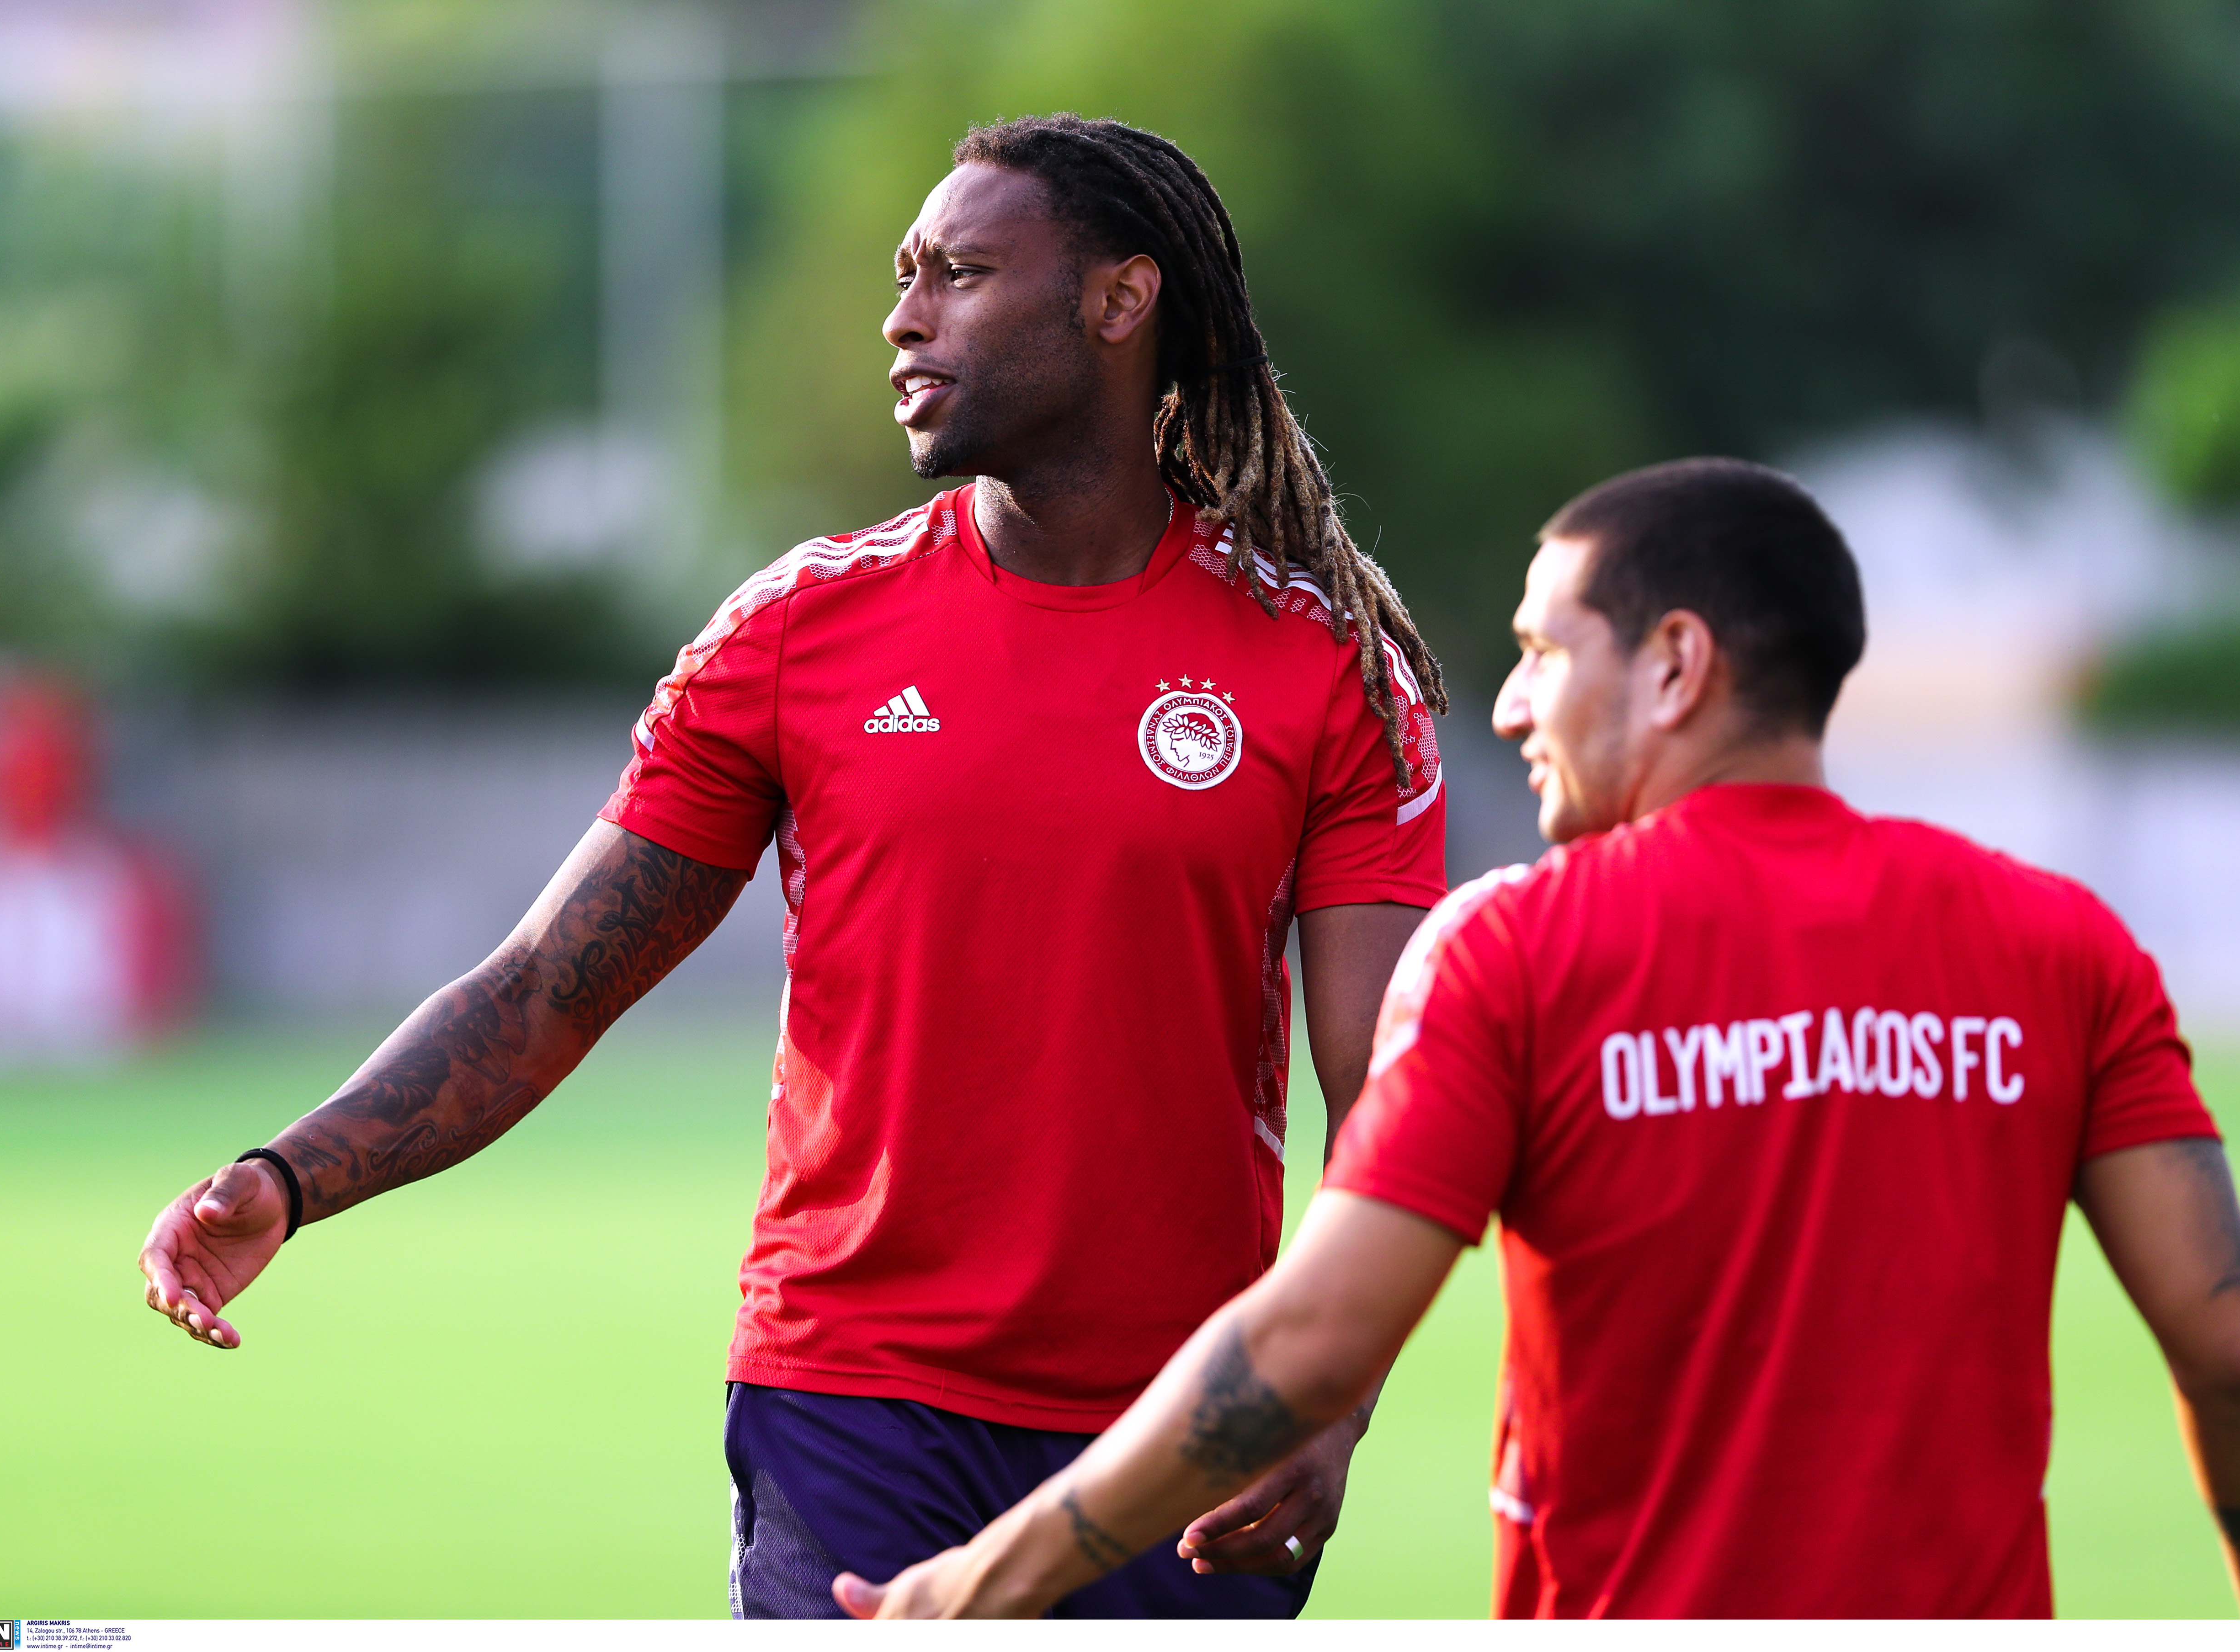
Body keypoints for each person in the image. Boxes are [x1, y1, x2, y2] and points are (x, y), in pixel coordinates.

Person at [135, 114, 1449, 1620]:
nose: (904, 319)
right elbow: (549, 986)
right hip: (852, 1405)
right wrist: (290, 1175)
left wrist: (1323, 1393)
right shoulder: (795, 632)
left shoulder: (1323, 666)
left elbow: (1384, 1088)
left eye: (959, 274)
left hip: (1181, 1430)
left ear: (1119, 300)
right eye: (903, 278)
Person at [836, 457, 2240, 1620]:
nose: (1505, 708)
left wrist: (985, 1584)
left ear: (1675, 665)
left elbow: (1309, 1339)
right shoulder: (2056, 946)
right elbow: (2238, 1348)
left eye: (1541, 653)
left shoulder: (1516, 948)